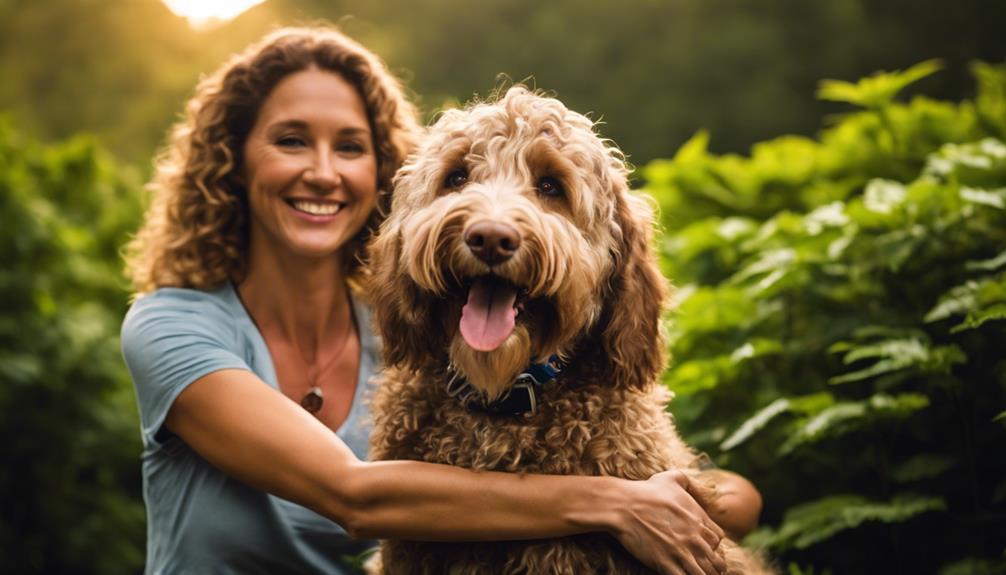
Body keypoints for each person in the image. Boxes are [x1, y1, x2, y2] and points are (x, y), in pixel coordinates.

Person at [122, 26, 759, 575]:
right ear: (231, 161)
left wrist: (709, 498)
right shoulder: (173, 325)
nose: (322, 170)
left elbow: (712, 495)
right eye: (291, 140)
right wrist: (617, 501)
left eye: (349, 146)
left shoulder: (400, 334)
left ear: (381, 174)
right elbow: (355, 498)